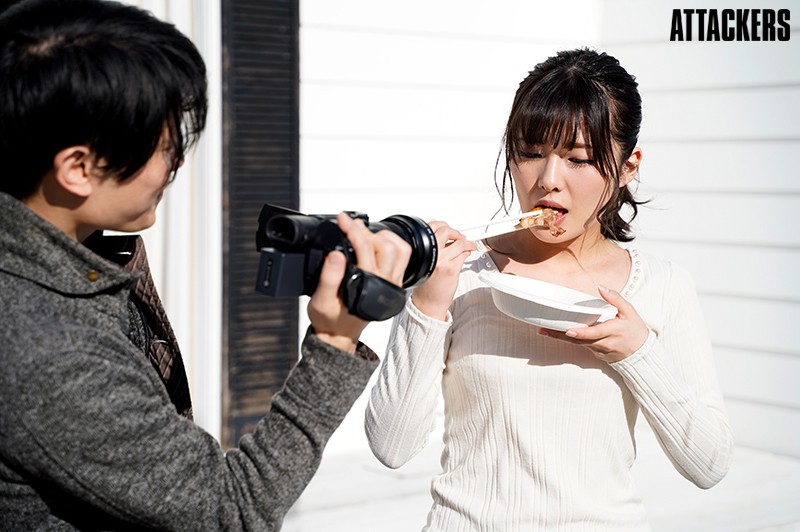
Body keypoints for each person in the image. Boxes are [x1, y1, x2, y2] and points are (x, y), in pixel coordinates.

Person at [0, 0, 412, 529]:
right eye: (161, 142)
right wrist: (335, 341)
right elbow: (231, 509)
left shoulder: (67, 263)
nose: (175, 160)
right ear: (78, 168)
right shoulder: (47, 344)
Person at [365, 48, 734, 531]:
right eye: (531, 153)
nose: (548, 181)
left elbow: (708, 464)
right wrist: (427, 304)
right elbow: (391, 446)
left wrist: (638, 351)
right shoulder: (460, 274)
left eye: (578, 159)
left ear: (628, 166)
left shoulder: (662, 286)